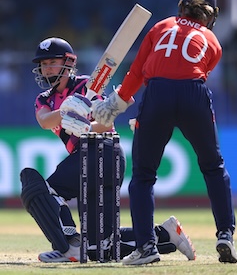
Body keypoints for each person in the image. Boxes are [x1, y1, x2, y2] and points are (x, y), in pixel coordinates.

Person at [92, 0, 237, 265]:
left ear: (182, 5)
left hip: (157, 93)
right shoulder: (214, 42)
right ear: (212, 15)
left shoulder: (162, 26)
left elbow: (138, 71)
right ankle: (225, 236)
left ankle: (147, 247)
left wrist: (117, 104)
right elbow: (191, 74)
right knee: (214, 167)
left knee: (144, 175)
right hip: (194, 94)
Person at [20, 37, 195, 263]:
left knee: (46, 192)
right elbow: (44, 121)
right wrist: (65, 112)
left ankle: (69, 245)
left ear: (68, 63)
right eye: (43, 64)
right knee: (99, 247)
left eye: (52, 62)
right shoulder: (44, 99)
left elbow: (105, 122)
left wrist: (86, 127)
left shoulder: (87, 86)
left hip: (102, 151)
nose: (46, 68)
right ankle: (166, 234)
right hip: (86, 159)